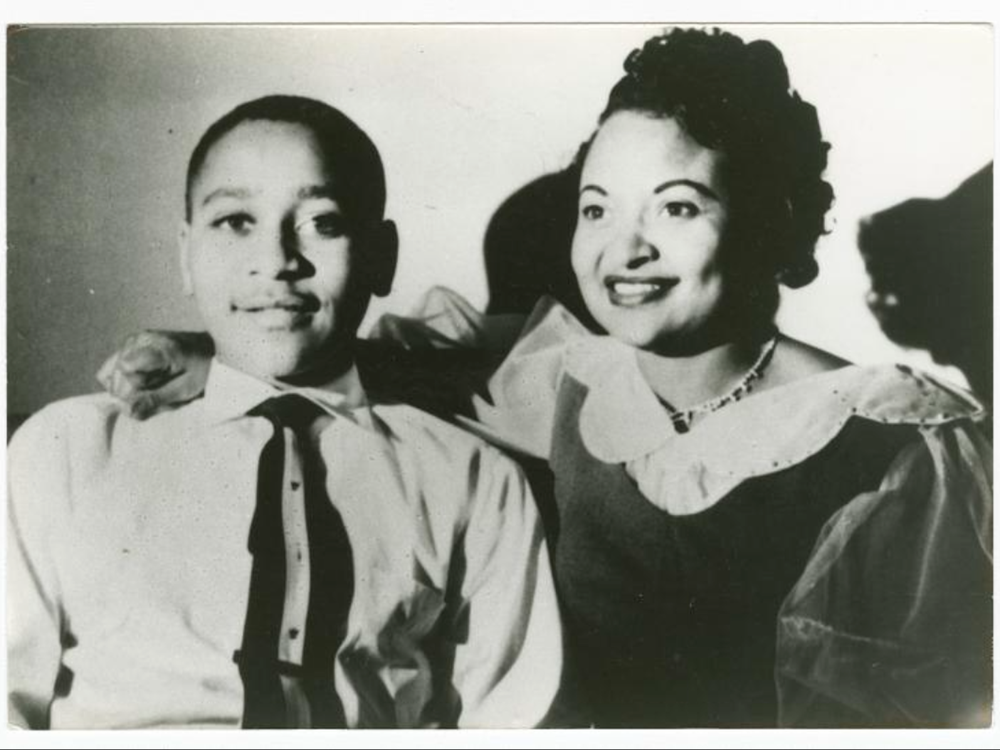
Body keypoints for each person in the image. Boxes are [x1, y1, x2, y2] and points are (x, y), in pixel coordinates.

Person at [96, 29, 992, 728]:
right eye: (597, 209)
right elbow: (372, 362)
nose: (623, 249)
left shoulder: (894, 437)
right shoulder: (567, 376)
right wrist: (209, 348)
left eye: (677, 207)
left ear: (769, 220)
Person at [7, 95, 564, 729]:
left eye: (322, 222)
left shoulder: (474, 479)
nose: (276, 261)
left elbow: (513, 721)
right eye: (235, 221)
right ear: (185, 253)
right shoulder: (63, 451)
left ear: (382, 257)